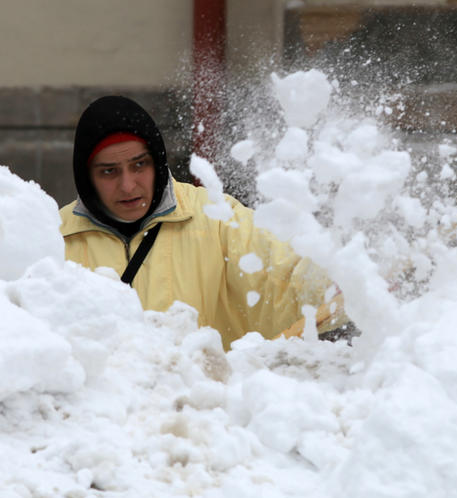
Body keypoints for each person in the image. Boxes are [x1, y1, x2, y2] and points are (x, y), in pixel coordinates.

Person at [59, 95, 330, 350]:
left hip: (203, 397)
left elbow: (284, 276)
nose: (128, 186)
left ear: (158, 161)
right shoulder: (56, 238)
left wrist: (340, 276)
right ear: (86, 178)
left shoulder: (215, 218)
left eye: (139, 165)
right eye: (109, 171)